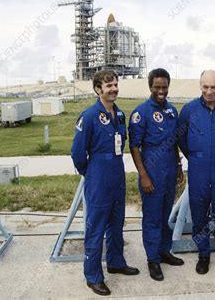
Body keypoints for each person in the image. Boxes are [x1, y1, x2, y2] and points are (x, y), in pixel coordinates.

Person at [71, 70, 139, 296]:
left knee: (116, 223)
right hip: (98, 174)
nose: (114, 88)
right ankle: (93, 276)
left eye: (116, 84)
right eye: (109, 85)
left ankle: (116, 262)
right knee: (96, 227)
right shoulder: (89, 116)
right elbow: (78, 153)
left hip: (117, 172)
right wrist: (89, 173)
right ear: (98, 89)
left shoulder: (119, 115)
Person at [128, 68, 185, 281]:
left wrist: (179, 166)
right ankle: (152, 260)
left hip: (170, 168)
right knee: (152, 218)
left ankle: (163, 251)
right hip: (151, 168)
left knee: (165, 215)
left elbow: (175, 141)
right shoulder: (140, 112)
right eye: (157, 87)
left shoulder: (171, 111)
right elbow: (134, 146)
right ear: (150, 86)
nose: (161, 91)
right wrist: (143, 175)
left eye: (164, 87)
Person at [178, 70, 215, 275]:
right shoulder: (189, 110)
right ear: (200, 85)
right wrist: (196, 156)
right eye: (205, 87)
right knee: (199, 211)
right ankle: (203, 254)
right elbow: (181, 139)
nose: (209, 91)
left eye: (213, 87)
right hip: (198, 167)